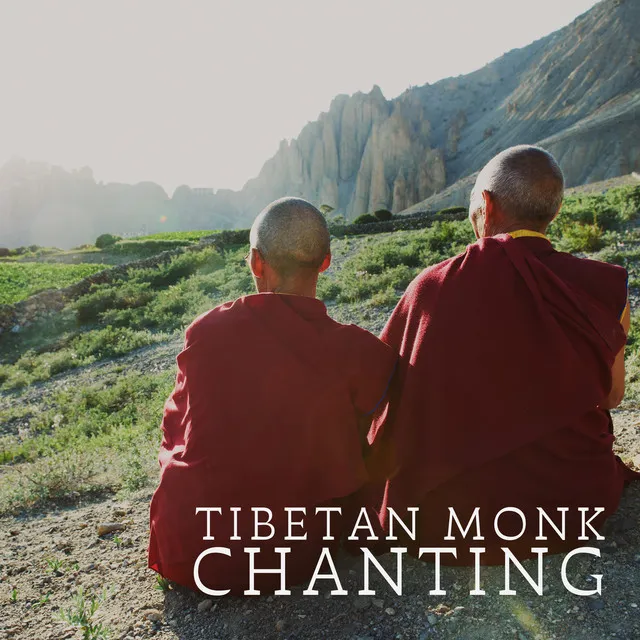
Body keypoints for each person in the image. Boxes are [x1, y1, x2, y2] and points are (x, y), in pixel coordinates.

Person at [369, 145, 639, 563]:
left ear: (487, 205)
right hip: (571, 507)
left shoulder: (430, 287)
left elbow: (385, 401)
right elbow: (611, 397)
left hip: (446, 521)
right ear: (554, 210)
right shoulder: (603, 286)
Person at [148, 197, 396, 594]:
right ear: (325, 262)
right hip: (303, 554)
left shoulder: (207, 332)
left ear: (255, 262)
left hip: (196, 555)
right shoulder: (356, 349)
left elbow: (175, 429)